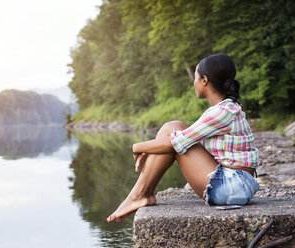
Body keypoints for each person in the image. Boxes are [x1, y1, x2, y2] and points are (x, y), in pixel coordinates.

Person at [107, 53, 260, 223]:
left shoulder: (222, 112)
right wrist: (149, 147)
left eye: (195, 76)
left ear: (204, 80)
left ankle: (139, 195)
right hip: (235, 184)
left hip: (232, 187)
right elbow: (181, 137)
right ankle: (142, 194)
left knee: (172, 133)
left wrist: (137, 147)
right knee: (172, 127)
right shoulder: (225, 108)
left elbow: (176, 142)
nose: (193, 82)